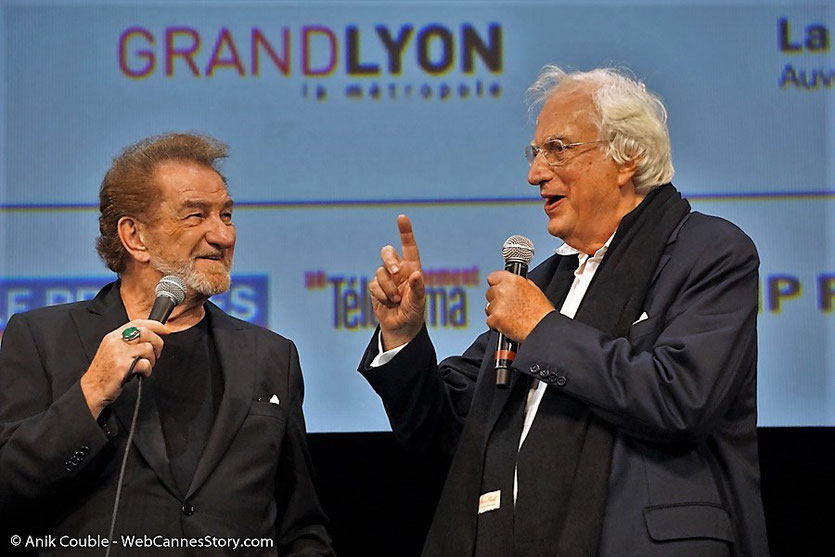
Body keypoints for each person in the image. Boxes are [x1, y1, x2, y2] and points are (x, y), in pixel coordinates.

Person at [359, 67, 769, 556]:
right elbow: (447, 434)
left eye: (558, 148)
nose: (535, 173)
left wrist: (541, 328)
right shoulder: (546, 281)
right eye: (535, 153)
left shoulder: (711, 253)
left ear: (627, 158)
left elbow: (678, 399)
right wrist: (404, 338)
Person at [0, 133, 333, 556]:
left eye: (226, 215)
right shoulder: (41, 338)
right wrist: (89, 395)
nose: (223, 236)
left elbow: (300, 527)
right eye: (196, 216)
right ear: (134, 236)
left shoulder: (271, 356)